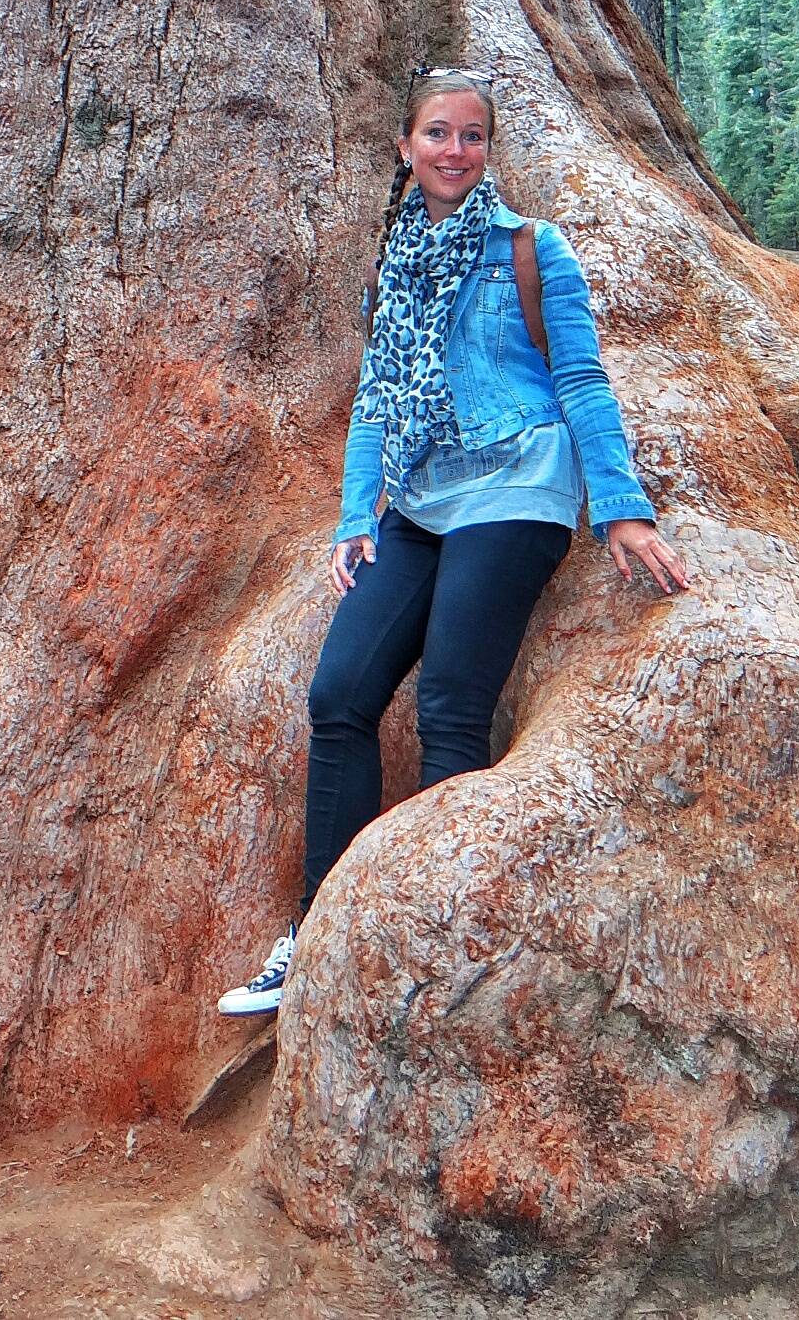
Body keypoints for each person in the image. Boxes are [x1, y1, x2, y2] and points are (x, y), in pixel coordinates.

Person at [218, 67, 689, 1018]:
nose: (455, 151)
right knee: (340, 693)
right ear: (407, 146)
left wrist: (622, 505)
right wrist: (358, 516)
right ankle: (317, 936)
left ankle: (436, 939)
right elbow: (375, 404)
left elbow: (584, 382)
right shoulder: (392, 264)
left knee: (448, 709)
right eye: (438, 133)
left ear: (488, 149)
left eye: (473, 136)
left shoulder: (531, 248)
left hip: (518, 483)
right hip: (421, 496)